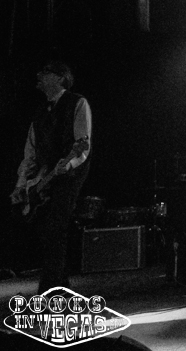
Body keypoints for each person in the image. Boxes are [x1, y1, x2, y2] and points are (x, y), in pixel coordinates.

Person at [10, 60, 92, 293]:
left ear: (60, 78)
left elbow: (82, 144)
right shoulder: (39, 113)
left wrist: (70, 164)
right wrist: (21, 185)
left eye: (45, 72)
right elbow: (30, 153)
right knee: (49, 234)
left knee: (55, 229)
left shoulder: (78, 103)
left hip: (69, 175)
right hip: (45, 178)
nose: (38, 74)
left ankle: (47, 292)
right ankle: (61, 287)